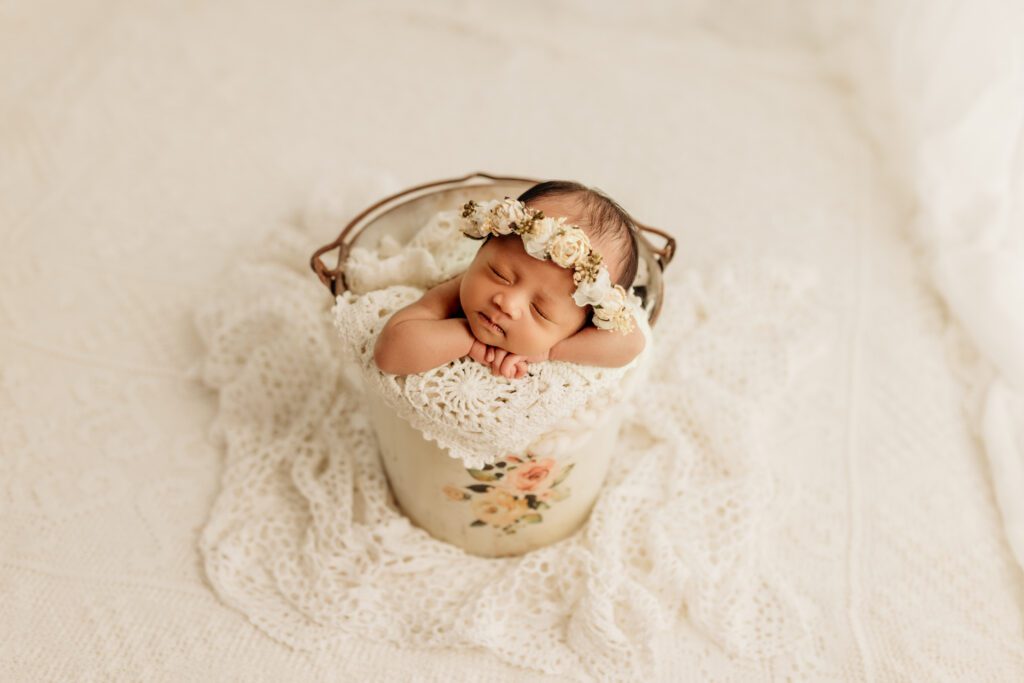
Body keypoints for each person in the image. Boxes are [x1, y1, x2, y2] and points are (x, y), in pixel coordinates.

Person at [373, 180, 647, 379]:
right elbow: (390, 352)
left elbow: (632, 343)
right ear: (482, 250)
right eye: (499, 274)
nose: (507, 303)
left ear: (583, 323)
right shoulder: (457, 293)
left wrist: (551, 351)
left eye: (540, 310)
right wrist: (468, 339)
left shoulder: (572, 337)